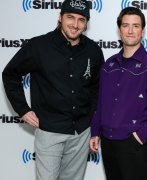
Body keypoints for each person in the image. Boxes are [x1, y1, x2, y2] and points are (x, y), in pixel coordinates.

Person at [2, 0, 104, 179]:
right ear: (60, 17)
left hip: (80, 133)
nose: (75, 24)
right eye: (70, 17)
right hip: (50, 130)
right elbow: (10, 74)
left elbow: (97, 87)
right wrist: (23, 110)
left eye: (81, 19)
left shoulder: (93, 50)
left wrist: (91, 120)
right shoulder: (39, 46)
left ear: (86, 23)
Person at [89, 7, 147, 180]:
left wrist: (140, 137)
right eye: (126, 25)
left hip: (133, 144)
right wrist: (95, 131)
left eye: (136, 26)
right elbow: (100, 103)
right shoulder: (108, 66)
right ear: (119, 30)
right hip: (108, 143)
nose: (131, 30)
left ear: (142, 30)